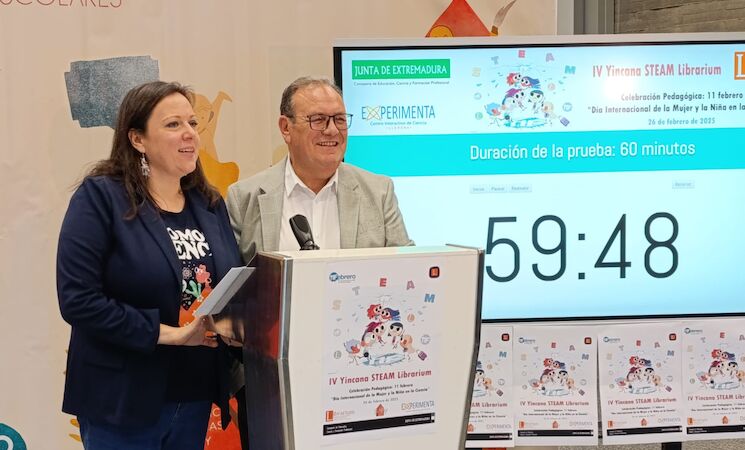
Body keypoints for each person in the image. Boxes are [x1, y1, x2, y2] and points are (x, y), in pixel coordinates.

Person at [226, 76, 414, 448]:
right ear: (285, 128)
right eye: (318, 120)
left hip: (361, 379)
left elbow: (407, 275)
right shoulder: (245, 197)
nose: (332, 130)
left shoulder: (378, 191)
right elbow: (230, 290)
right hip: (272, 384)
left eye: (340, 119)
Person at [57, 81, 242, 450]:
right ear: (137, 139)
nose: (189, 133)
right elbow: (77, 300)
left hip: (195, 393)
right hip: (122, 397)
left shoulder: (208, 203)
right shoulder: (101, 197)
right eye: (173, 124)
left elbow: (227, 285)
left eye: (192, 123)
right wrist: (169, 334)